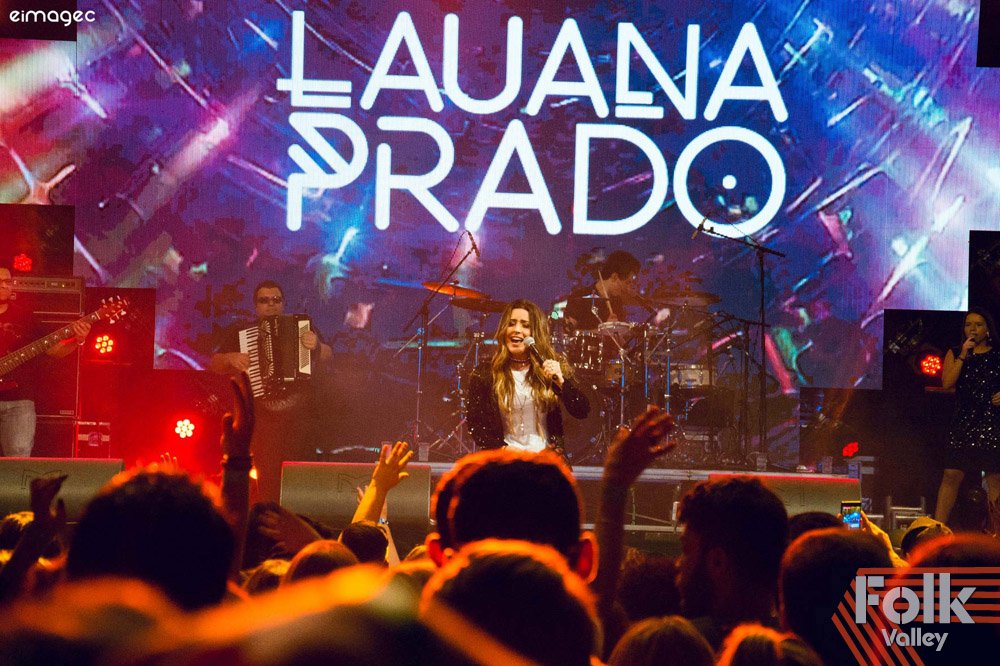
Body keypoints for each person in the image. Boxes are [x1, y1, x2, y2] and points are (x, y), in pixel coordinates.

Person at [209, 280, 332, 502]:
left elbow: (328, 356)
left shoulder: (302, 326)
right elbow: (214, 364)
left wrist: (317, 346)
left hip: (298, 420)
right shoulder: (241, 331)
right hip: (262, 420)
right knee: (266, 480)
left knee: (299, 480)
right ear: (256, 306)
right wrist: (230, 358)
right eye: (264, 301)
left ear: (283, 303)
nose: (271, 304)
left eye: (276, 300)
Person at [464, 299, 589, 455]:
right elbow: (476, 425)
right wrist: (507, 451)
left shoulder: (550, 368)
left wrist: (562, 382)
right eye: (511, 324)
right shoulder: (485, 373)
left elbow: (582, 411)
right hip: (504, 459)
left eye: (525, 325)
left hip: (545, 460)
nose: (517, 330)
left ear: (536, 333)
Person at [0, 266, 91, 457]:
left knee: (18, 457)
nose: (4, 286)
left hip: (18, 401)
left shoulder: (25, 317)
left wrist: (77, 340)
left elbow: (55, 350)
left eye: (7, 281)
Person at [934, 307, 1000, 524]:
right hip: (964, 421)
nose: (973, 329)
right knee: (951, 474)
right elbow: (947, 383)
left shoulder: (997, 354)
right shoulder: (956, 352)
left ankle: (997, 532)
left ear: (988, 329)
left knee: (994, 477)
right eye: (968, 324)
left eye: (978, 325)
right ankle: (938, 528)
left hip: (991, 421)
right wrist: (963, 354)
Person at [562, 250, 642, 330]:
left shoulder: (617, 302)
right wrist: (604, 329)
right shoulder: (578, 298)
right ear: (614, 277)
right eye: (627, 282)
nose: (627, 288)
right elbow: (568, 332)